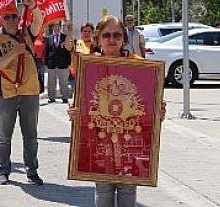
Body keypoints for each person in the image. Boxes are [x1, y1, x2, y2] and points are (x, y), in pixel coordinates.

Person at [68, 14, 166, 207]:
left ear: (124, 38)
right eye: (106, 35)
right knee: (103, 193)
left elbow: (148, 100)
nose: (111, 40)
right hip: (99, 138)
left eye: (117, 35)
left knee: (128, 191)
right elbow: (82, 99)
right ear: (98, 38)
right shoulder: (88, 65)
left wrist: (158, 111)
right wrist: (73, 110)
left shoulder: (138, 64)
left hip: (130, 140)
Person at [0, 0, 44, 186]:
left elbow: (39, 20)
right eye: (7, 17)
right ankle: (3, 170)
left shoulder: (27, 34)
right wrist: (14, 52)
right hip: (6, 93)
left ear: (19, 17)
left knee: (31, 136)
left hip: (29, 91)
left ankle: (32, 170)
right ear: (1, 20)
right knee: (4, 136)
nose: (11, 20)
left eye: (14, 16)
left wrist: (33, 7)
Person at [44, 23, 72, 103]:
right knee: (51, 82)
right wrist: (46, 63)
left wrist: (68, 63)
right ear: (52, 28)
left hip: (63, 63)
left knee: (63, 81)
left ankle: (65, 97)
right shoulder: (48, 38)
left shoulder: (64, 37)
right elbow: (46, 51)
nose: (57, 28)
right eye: (55, 27)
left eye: (58, 27)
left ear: (60, 28)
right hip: (51, 63)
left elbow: (67, 51)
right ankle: (51, 97)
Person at [68, 22, 96, 94]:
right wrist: (69, 32)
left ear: (92, 33)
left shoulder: (96, 45)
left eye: (89, 31)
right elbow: (68, 46)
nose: (87, 33)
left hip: (92, 77)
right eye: (84, 31)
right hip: (77, 77)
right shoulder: (76, 43)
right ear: (81, 32)